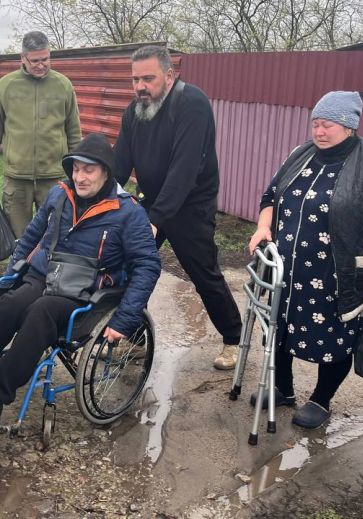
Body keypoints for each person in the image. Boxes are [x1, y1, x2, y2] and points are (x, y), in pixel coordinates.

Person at [0, 133, 161, 428]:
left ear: (106, 172)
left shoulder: (128, 213)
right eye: (76, 169)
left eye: (89, 170)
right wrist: (10, 276)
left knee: (41, 311)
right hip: (45, 274)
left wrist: (124, 320)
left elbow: (147, 265)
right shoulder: (60, 194)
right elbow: (30, 236)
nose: (80, 177)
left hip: (83, 293)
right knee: (12, 302)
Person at [247, 91, 363, 429]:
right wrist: (264, 226)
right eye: (316, 124)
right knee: (279, 330)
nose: (319, 132)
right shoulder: (300, 154)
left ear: (350, 126)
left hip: (338, 275)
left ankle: (321, 400)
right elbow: (271, 195)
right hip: (288, 270)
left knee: (335, 337)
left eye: (328, 126)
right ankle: (282, 388)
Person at [113, 45, 243, 371]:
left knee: (204, 275)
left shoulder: (192, 104)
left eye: (148, 78)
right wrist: (102, 200)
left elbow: (183, 171)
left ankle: (232, 338)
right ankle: (134, 337)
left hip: (191, 206)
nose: (140, 86)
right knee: (131, 267)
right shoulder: (134, 111)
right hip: (151, 201)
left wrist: (155, 221)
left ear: (169, 75)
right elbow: (119, 164)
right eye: (135, 79)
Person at [0, 30, 82, 238]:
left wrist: (78, 171)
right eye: (35, 60)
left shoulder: (63, 86)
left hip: (54, 179)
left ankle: (48, 271)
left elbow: (74, 133)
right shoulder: (6, 87)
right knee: (19, 239)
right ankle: (19, 270)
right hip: (17, 181)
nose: (41, 65)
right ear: (23, 58)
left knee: (54, 236)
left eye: (45, 59)